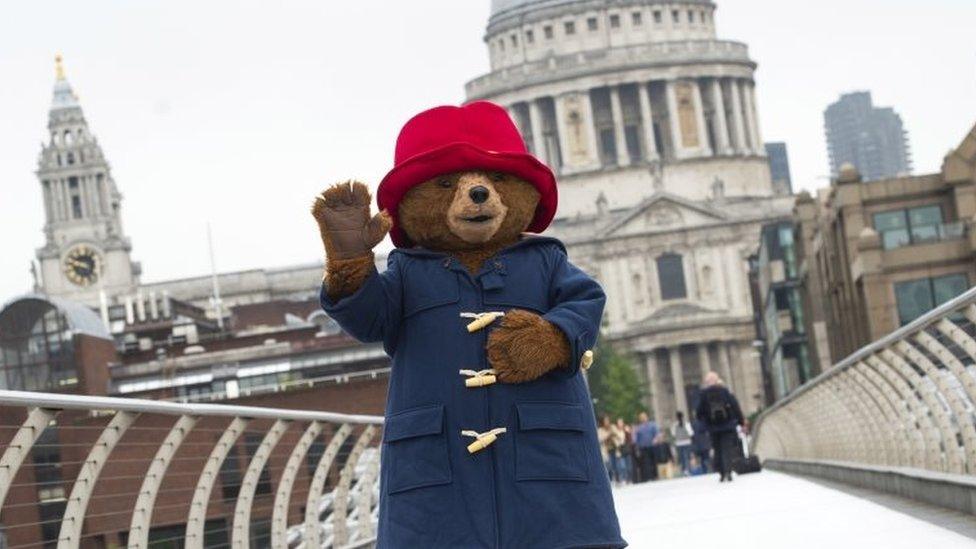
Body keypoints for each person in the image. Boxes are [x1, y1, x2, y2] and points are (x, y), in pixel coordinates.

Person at [695, 371, 745, 482]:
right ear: (717, 380)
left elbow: (699, 412)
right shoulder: (724, 391)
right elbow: (734, 406)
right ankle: (728, 471)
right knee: (727, 449)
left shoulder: (703, 394)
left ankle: (721, 473)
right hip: (727, 425)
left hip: (713, 427)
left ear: (707, 382)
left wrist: (703, 423)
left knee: (717, 449)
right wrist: (741, 422)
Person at [632, 412, 659, 482]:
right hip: (643, 447)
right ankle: (648, 477)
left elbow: (657, 433)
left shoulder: (652, 425)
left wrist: (655, 439)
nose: (643, 419)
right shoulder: (638, 428)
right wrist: (636, 444)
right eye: (641, 418)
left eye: (644, 417)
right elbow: (635, 439)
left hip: (652, 446)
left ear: (647, 417)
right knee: (646, 463)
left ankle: (655, 476)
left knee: (654, 461)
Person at [671, 411, 694, 476]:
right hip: (687, 441)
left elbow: (673, 434)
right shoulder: (686, 424)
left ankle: (684, 470)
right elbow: (691, 433)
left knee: (682, 457)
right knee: (687, 456)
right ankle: (688, 469)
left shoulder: (674, 425)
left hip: (679, 443)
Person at [598, 415, 613, 481]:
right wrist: (608, 435)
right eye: (606, 421)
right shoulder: (600, 430)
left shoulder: (611, 428)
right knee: (607, 468)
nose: (608, 422)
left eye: (608, 420)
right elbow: (600, 439)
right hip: (604, 452)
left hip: (613, 451)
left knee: (612, 468)